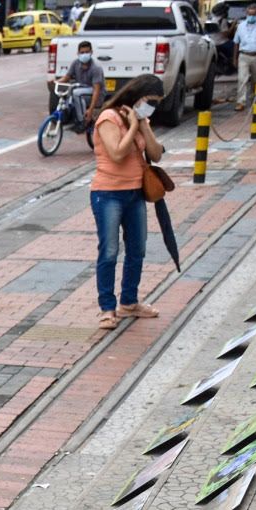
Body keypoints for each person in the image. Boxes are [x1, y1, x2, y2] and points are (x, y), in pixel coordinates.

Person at [89, 74, 165, 330]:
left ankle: (129, 302)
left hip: (135, 194)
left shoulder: (141, 119)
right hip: (108, 193)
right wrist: (132, 125)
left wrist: (143, 126)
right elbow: (118, 153)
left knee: (137, 249)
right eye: (150, 101)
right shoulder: (108, 118)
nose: (152, 106)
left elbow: (155, 154)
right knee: (109, 251)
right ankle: (107, 309)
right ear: (138, 95)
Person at [59, 40, 105, 131]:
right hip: (83, 90)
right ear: (78, 53)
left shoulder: (96, 68)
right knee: (68, 89)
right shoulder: (75, 63)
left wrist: (91, 110)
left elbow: (96, 90)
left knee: (76, 93)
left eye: (87, 52)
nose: (84, 54)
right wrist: (56, 82)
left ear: (91, 52)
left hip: (96, 94)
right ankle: (68, 115)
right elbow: (67, 77)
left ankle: (82, 122)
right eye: (82, 52)